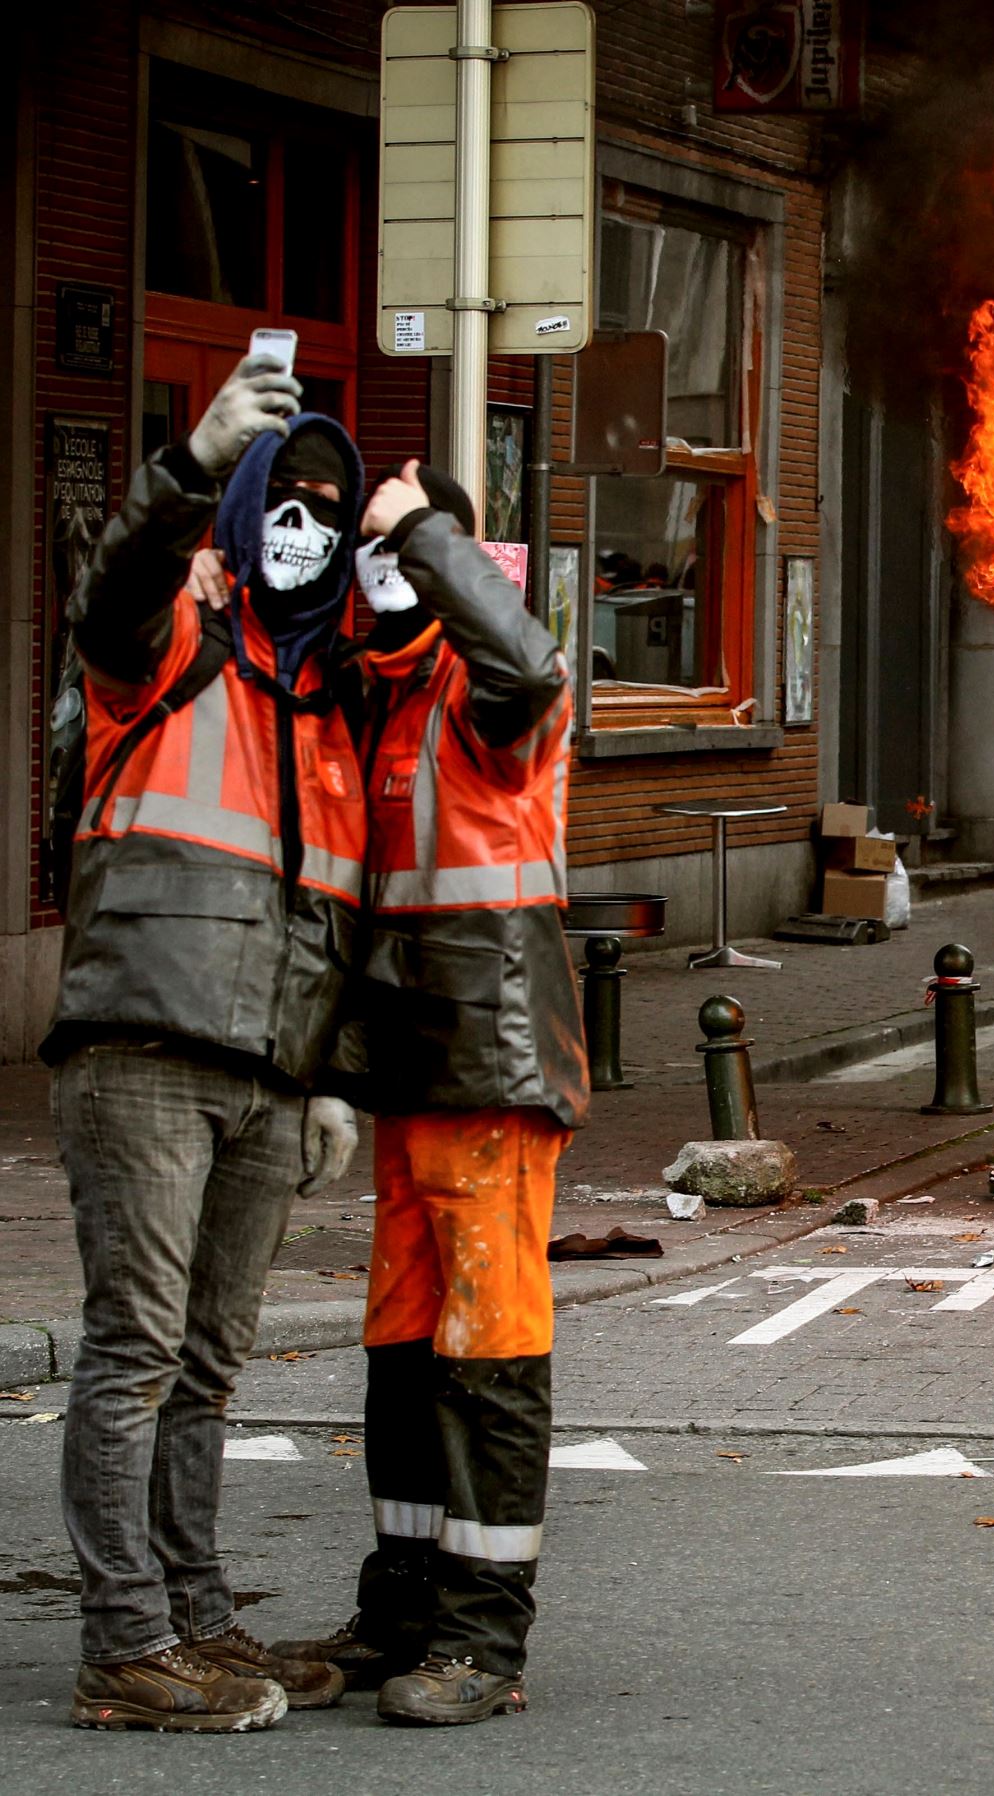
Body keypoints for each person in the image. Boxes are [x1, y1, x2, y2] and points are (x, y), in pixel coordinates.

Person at [48, 359, 365, 1730]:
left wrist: (328, 1081)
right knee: (136, 1348)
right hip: (144, 1049)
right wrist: (185, 470)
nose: (307, 522)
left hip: (266, 1075)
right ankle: (124, 1642)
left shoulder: (331, 702)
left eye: (330, 508)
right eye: (282, 496)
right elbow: (109, 591)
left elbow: (331, 916)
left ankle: (194, 1617)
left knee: (206, 1359)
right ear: (240, 510)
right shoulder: (170, 642)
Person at [269, 461, 584, 1726]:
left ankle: (483, 1637)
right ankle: (403, 1601)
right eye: (371, 550)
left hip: (493, 1068)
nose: (377, 572)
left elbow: (529, 663)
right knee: (404, 1345)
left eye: (392, 550)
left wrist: (421, 526)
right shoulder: (383, 700)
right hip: (411, 1069)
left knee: (488, 1342)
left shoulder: (480, 694)